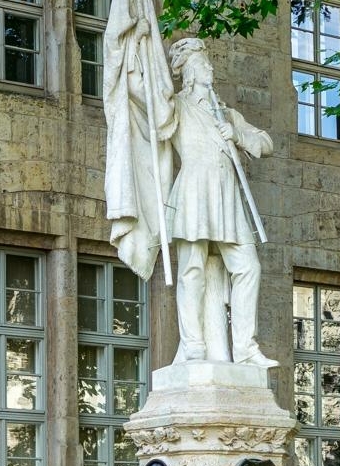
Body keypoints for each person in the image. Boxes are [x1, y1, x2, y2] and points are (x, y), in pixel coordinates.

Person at [103, 16, 276, 367]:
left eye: (207, 61)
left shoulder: (227, 113)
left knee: (248, 267)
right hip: (194, 194)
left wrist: (238, 134)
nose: (207, 68)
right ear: (187, 70)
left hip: (228, 197)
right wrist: (135, 48)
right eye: (200, 62)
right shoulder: (177, 107)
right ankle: (193, 345)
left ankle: (245, 347)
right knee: (192, 270)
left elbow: (266, 143)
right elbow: (145, 97)